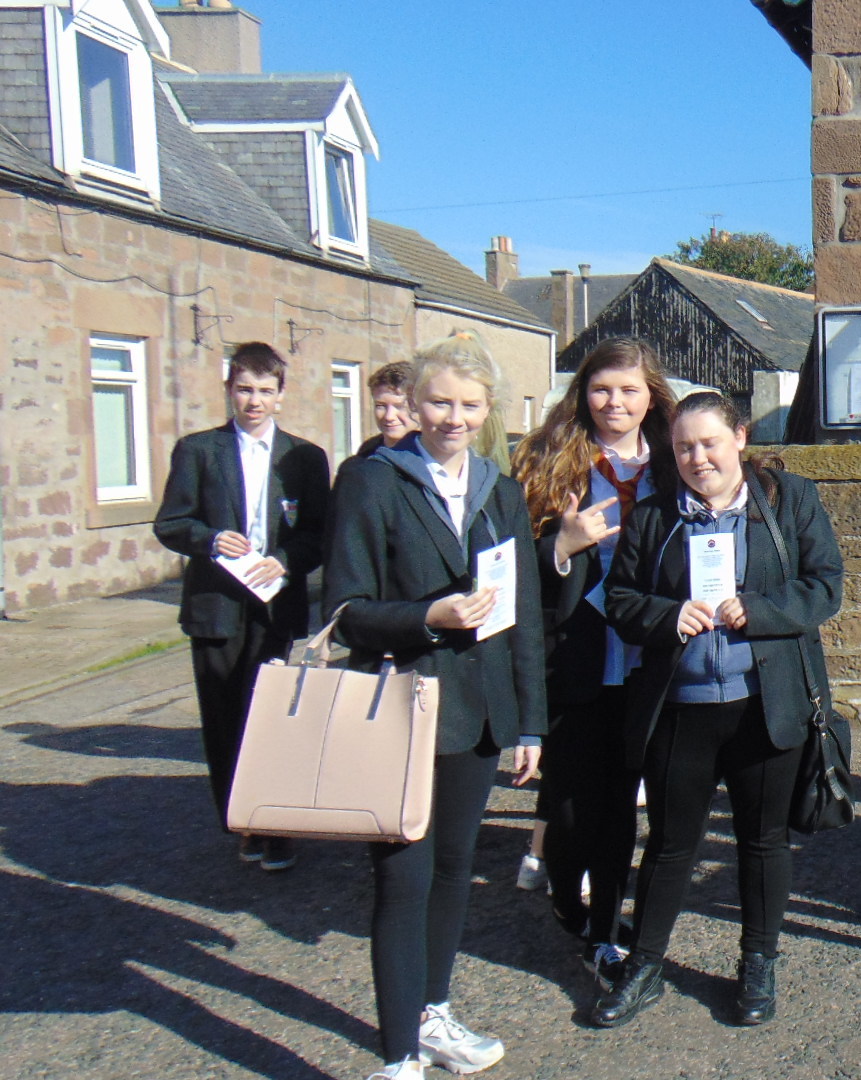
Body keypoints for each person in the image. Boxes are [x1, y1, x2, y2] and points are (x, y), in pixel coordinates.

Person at [325, 332, 546, 1079]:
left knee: (454, 870)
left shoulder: (500, 490)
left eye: (469, 405)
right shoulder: (372, 482)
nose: (454, 417)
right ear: (414, 404)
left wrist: (529, 722)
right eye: (440, 402)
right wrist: (431, 616)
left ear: (488, 411)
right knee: (403, 878)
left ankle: (433, 1015)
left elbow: (522, 617)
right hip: (401, 705)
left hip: (479, 715)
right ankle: (396, 1060)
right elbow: (345, 610)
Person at [595, 392, 844, 1029]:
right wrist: (665, 614)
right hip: (682, 708)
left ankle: (757, 962)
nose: (698, 458)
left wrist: (758, 611)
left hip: (767, 704)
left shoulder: (787, 501)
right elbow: (620, 600)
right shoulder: (654, 517)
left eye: (709, 443)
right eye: (683, 447)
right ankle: (645, 965)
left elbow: (825, 586)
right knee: (671, 845)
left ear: (738, 436)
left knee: (762, 842)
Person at [512, 338, 675, 985]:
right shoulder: (550, 463)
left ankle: (605, 931)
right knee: (573, 814)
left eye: (629, 390)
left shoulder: (668, 464)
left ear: (650, 397)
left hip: (646, 663)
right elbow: (508, 572)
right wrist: (561, 546)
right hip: (573, 662)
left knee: (619, 809)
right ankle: (564, 890)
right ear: (583, 393)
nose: (615, 402)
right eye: (602, 389)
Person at [153, 341, 331, 872]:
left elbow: (318, 534)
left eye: (265, 391)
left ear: (281, 396)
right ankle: (243, 823)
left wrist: (284, 560)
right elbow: (170, 523)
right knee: (226, 720)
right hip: (216, 608)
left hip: (275, 608)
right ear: (229, 390)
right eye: (244, 390)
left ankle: (277, 826)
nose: (254, 401)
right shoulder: (197, 450)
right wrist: (209, 539)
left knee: (272, 720)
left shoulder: (304, 458)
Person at [357, 360, 417, 458]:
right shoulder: (367, 452)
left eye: (400, 406)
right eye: (380, 406)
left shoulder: (437, 456)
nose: (389, 416)